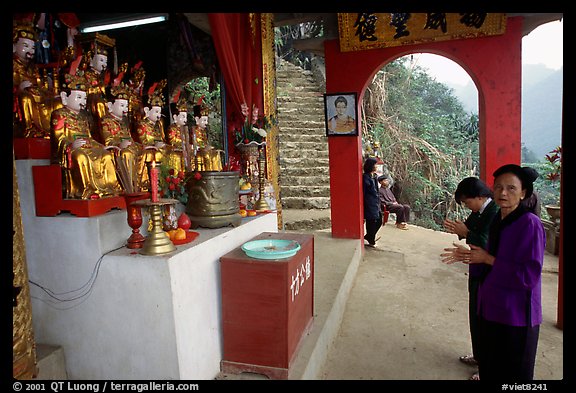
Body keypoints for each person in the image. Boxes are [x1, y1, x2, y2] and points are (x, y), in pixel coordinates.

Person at [441, 164, 545, 380]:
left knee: (513, 374)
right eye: (498, 187)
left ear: (523, 193)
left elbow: (528, 276)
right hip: (492, 308)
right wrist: (469, 254)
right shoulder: (499, 220)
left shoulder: (530, 224)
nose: (503, 193)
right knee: (491, 367)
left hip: (516, 316)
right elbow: (488, 252)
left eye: (511, 188)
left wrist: (487, 258)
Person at [442, 177, 499, 380]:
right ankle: (479, 355)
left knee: (486, 320)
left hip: (490, 274)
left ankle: (487, 367)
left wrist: (466, 233)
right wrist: (460, 231)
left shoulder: (495, 212)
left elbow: (486, 242)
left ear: (481, 196)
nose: (467, 206)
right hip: (476, 269)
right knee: (475, 315)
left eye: (467, 202)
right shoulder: (479, 211)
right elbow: (469, 230)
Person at [49, 71, 120, 199]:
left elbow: (89, 137)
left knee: (106, 156)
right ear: (65, 98)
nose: (82, 102)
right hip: (72, 150)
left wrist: (100, 146)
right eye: (79, 98)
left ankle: (110, 187)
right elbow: (58, 138)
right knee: (81, 157)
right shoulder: (59, 115)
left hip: (87, 146)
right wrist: (71, 145)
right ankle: (86, 189)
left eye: (84, 98)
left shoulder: (83, 117)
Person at [13, 20, 62, 138]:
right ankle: (30, 129)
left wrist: (49, 92)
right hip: (24, 102)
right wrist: (18, 88)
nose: (31, 51)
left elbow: (40, 88)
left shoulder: (33, 69)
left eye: (33, 47)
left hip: (39, 100)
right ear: (13, 47)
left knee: (59, 102)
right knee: (25, 97)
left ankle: (55, 132)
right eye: (26, 46)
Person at [100, 81, 147, 192]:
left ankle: (142, 184)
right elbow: (108, 141)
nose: (125, 109)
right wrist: (119, 145)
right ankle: (130, 187)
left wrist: (139, 145)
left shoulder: (124, 121)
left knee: (146, 152)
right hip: (118, 150)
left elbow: (129, 136)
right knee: (126, 153)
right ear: (111, 106)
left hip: (130, 146)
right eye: (122, 105)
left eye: (126, 106)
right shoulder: (106, 121)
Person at [363, 157, 381, 248]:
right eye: (375, 165)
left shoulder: (373, 176)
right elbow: (364, 192)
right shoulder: (366, 177)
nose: (376, 166)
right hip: (369, 203)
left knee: (379, 220)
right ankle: (371, 240)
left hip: (375, 202)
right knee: (372, 222)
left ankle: (369, 236)